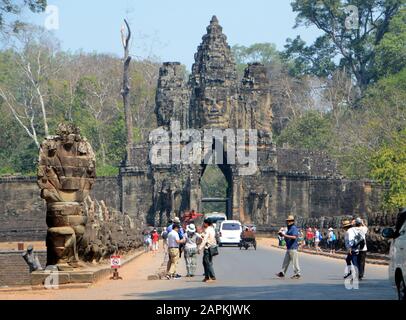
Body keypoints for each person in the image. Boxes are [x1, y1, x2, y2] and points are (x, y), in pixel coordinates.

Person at [276, 215, 301, 279]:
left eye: (288, 221)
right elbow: (286, 236)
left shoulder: (294, 228)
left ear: (291, 222)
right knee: (285, 261)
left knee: (295, 262)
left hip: (293, 247)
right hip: (289, 247)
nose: (287, 222)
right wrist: (282, 235)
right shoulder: (289, 229)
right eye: (287, 221)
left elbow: (294, 237)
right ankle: (282, 273)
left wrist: (284, 235)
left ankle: (297, 273)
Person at [198, 219, 217, 283]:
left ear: (206, 223)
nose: (203, 224)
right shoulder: (212, 229)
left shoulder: (207, 230)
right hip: (212, 247)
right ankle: (206, 277)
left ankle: (212, 277)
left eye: (204, 223)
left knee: (207, 262)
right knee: (207, 262)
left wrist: (200, 248)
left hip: (208, 247)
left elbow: (205, 239)